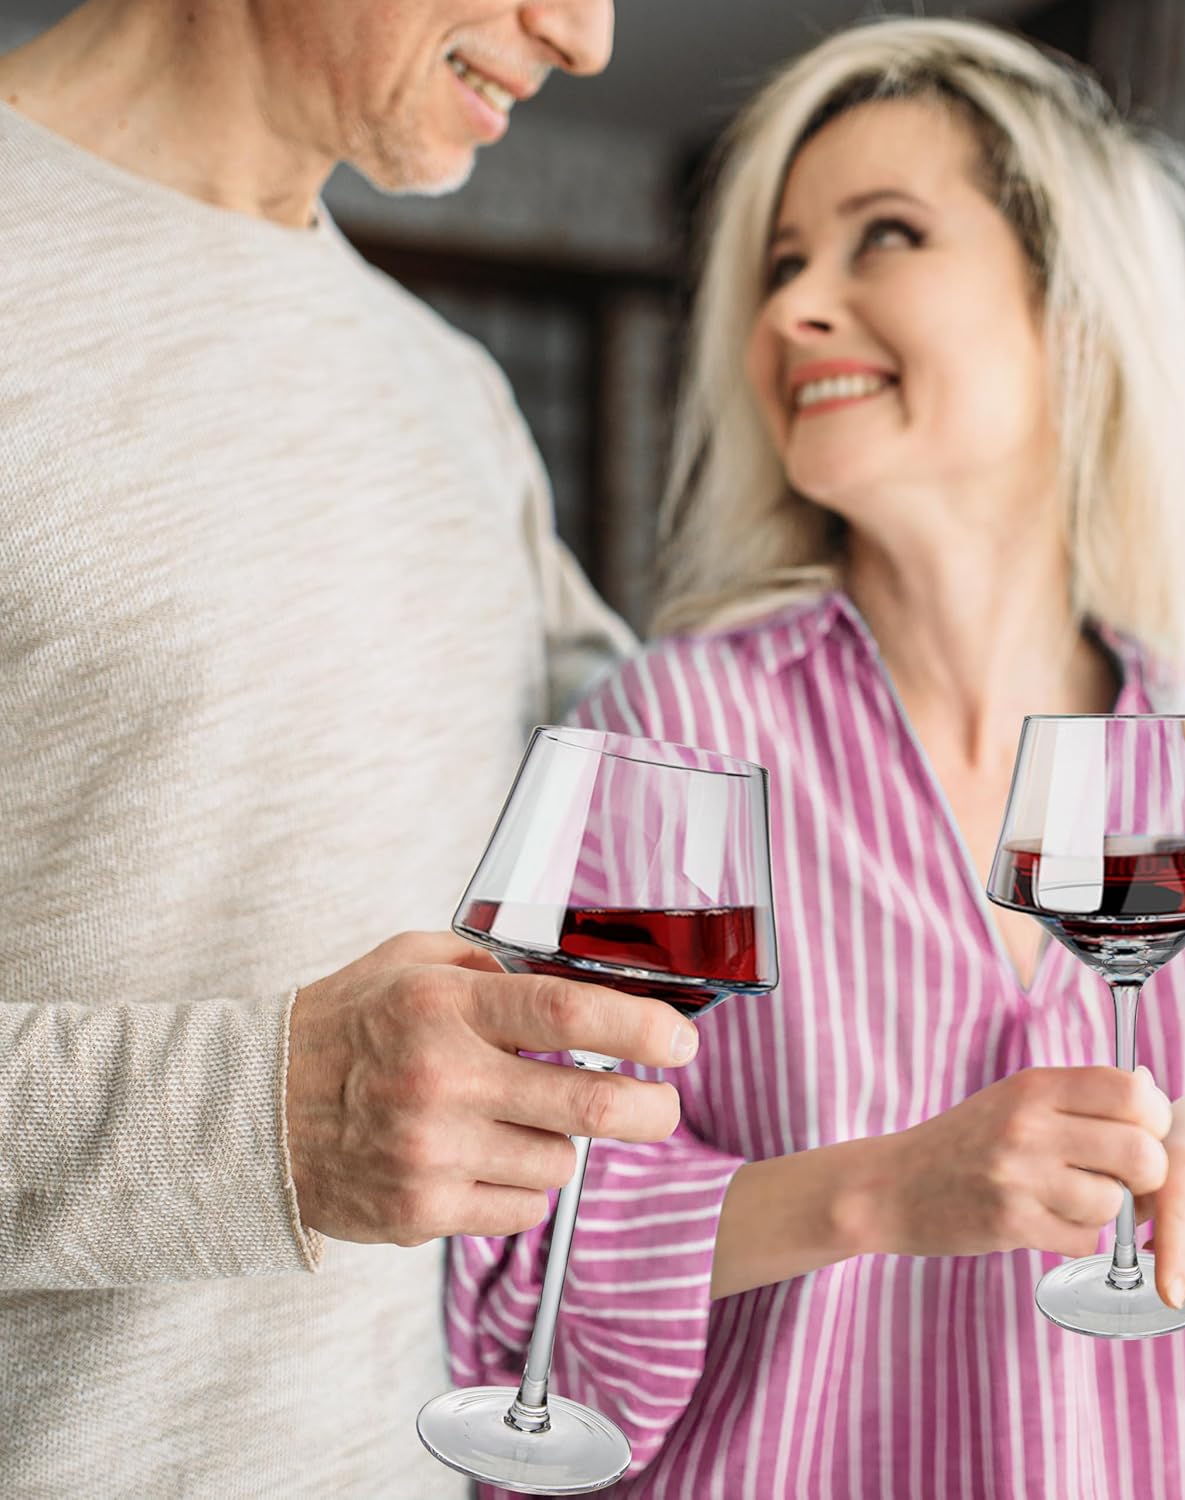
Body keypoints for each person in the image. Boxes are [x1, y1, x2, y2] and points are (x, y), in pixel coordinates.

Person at [448, 17, 1185, 1499]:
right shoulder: (673, 740)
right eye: (782, 262)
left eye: (886, 237)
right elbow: (512, 1268)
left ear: (1072, 310)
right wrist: (876, 1194)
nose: (797, 304)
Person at [0, 3, 698, 1496]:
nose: (583, 38)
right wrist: (264, 1119)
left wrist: (1104, 713)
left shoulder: (453, 394)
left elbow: (693, 753)